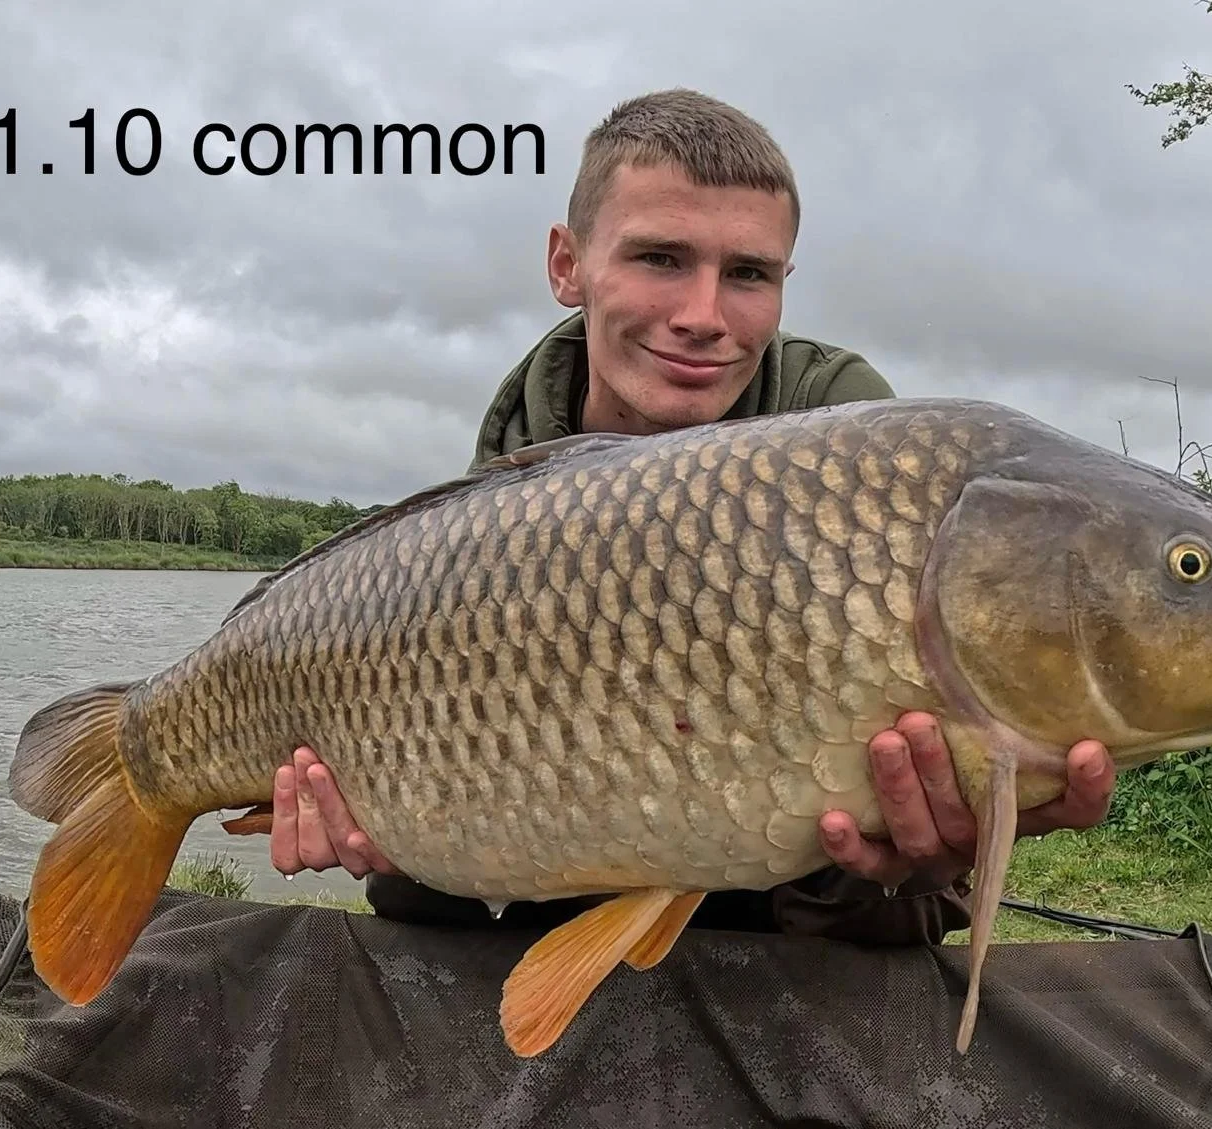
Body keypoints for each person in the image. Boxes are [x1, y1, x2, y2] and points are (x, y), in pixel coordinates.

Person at [265, 88, 1116, 945]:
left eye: (748, 274)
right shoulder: (493, 504)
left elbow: (902, 838)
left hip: (784, 914)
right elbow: (454, 835)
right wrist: (394, 840)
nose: (703, 317)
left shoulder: (858, 448)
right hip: (550, 860)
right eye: (660, 258)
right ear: (567, 265)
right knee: (423, 894)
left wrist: (913, 860)